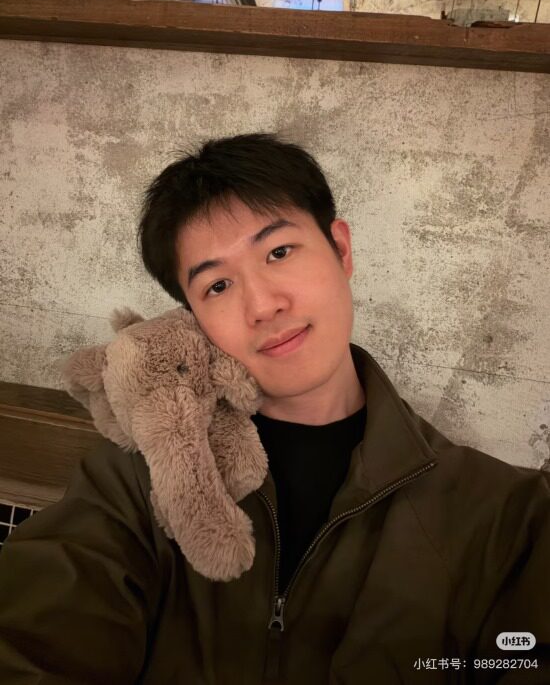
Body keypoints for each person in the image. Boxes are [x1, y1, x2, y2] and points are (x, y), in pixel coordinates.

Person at [0, 132, 549, 684]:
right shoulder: (139, 478)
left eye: (279, 252)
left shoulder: (508, 517)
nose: (263, 305)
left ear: (341, 249)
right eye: (217, 285)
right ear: (191, 316)